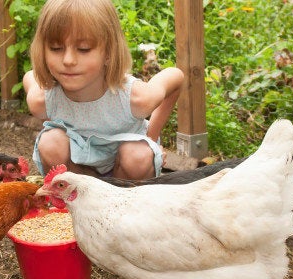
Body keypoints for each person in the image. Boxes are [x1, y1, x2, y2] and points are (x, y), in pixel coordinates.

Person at [23, 0, 184, 180]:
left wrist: (151, 140)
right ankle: (81, 197)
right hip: (79, 171)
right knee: (50, 142)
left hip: (127, 171)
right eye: (56, 48)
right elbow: (29, 76)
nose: (68, 60)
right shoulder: (41, 100)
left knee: (137, 156)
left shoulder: (136, 98)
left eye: (83, 49)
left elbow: (176, 76)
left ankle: (119, 199)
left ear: (109, 52)